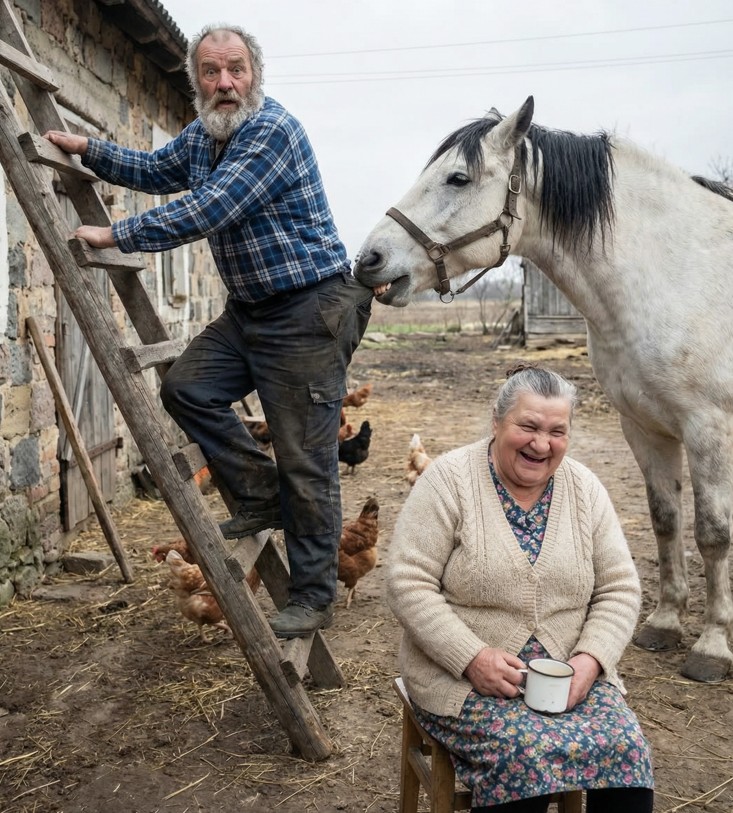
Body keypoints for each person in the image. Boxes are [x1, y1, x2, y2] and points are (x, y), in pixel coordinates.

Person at [44, 24, 373, 639]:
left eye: (237, 70)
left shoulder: (270, 131)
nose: (225, 83)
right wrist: (88, 148)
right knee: (188, 387)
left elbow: (211, 207)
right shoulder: (201, 137)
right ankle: (257, 493)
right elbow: (152, 167)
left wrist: (118, 234)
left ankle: (312, 595)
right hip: (252, 310)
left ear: (255, 75)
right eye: (212, 72)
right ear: (196, 80)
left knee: (306, 461)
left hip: (310, 309)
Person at [386, 363, 654, 813]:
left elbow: (620, 588)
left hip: (569, 679)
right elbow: (406, 582)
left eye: (557, 431)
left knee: (628, 752)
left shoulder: (585, 489)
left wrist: (589, 662)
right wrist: (472, 657)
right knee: (526, 759)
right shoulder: (449, 480)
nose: (541, 444)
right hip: (464, 678)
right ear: (497, 421)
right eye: (527, 426)